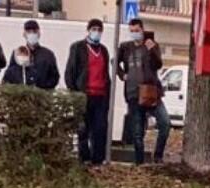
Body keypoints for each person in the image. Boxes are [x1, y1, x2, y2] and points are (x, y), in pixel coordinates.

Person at [116, 19, 168, 165]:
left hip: (151, 92)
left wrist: (152, 50)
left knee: (165, 123)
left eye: (137, 31)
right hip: (133, 93)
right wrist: (122, 74)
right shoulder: (125, 47)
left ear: (142, 30)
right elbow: (115, 62)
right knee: (137, 131)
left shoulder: (150, 45)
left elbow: (158, 65)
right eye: (131, 31)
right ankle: (139, 162)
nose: (134, 34)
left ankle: (158, 156)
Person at [64, 19, 112, 165]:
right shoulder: (78, 47)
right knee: (83, 128)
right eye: (94, 29)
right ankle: (84, 158)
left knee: (100, 128)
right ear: (88, 30)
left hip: (100, 96)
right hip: (84, 94)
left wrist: (107, 93)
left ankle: (98, 159)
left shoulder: (103, 50)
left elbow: (105, 73)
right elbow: (70, 72)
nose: (96, 32)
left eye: (99, 29)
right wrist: (75, 92)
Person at [20, 20, 59, 89]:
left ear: (39, 33)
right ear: (24, 34)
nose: (31, 34)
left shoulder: (48, 54)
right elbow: (10, 75)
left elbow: (55, 76)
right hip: (23, 95)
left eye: (34, 32)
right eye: (28, 32)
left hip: (43, 95)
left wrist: (45, 88)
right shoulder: (19, 52)